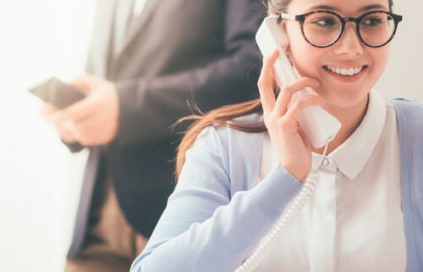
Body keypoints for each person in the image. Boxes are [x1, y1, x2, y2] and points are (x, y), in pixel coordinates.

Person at [130, 0, 423, 271]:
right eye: (324, 21)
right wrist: (285, 180)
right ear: (278, 34)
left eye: (371, 20)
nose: (351, 47)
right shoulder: (224, 147)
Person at [41, 0, 265, 271]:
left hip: (179, 212)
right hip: (97, 220)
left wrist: (127, 109)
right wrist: (77, 118)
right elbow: (108, 77)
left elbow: (253, 68)